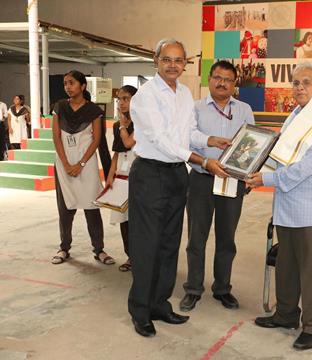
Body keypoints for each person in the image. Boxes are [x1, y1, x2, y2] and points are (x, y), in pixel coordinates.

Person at [127, 38, 229, 338]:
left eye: (178, 60)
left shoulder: (185, 93)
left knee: (170, 244)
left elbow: (187, 133)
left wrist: (210, 141)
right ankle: (140, 310)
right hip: (150, 174)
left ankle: (160, 304)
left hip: (176, 174)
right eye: (167, 59)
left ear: (186, 63)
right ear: (156, 60)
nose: (173, 65)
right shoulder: (144, 96)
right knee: (147, 245)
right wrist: (201, 160)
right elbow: (160, 140)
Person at [246, 62, 312, 351]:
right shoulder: (296, 116)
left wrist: (263, 178)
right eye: (295, 82)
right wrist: (247, 162)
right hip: (289, 204)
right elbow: (279, 154)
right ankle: (286, 315)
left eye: (306, 82)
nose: (299, 87)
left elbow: (304, 169)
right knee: (287, 265)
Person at [180, 60, 255, 312]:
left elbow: (253, 144)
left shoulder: (244, 110)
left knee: (226, 239)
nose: (222, 83)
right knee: (195, 238)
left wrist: (249, 174)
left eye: (228, 79)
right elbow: (187, 140)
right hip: (201, 180)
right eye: (217, 78)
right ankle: (193, 288)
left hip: (232, 182)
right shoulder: (195, 108)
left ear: (235, 84)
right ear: (209, 79)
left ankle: (222, 289)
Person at [50, 70, 114, 266]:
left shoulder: (94, 110)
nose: (67, 87)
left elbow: (96, 139)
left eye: (71, 83)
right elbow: (56, 137)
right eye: (65, 83)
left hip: (86, 164)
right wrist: (66, 163)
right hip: (63, 164)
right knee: (65, 208)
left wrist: (81, 164)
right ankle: (64, 248)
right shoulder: (59, 107)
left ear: (82, 86)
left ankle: (99, 250)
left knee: (91, 207)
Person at [105, 85, 138, 272]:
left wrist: (124, 126)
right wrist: (110, 177)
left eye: (126, 98)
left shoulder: (142, 122)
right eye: (119, 99)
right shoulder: (117, 125)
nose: (121, 103)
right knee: (123, 219)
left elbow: (129, 142)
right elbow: (117, 152)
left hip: (139, 177)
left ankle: (142, 257)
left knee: (137, 220)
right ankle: (130, 256)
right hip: (121, 176)